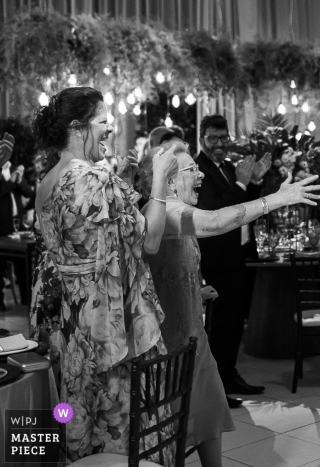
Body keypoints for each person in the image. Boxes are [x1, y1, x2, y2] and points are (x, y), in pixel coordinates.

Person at [139, 141, 320, 467]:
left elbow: (172, 266)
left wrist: (197, 288)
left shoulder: (179, 209)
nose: (201, 176)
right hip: (168, 342)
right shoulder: (165, 211)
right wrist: (276, 199)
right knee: (169, 421)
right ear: (168, 181)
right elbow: (216, 221)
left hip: (194, 332)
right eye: (191, 170)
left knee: (209, 409)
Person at [30, 86, 178, 464]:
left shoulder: (46, 182)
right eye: (103, 121)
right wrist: (159, 176)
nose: (110, 128)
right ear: (79, 128)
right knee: (114, 419)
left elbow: (78, 242)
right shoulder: (93, 178)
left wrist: (123, 182)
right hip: (105, 328)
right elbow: (150, 241)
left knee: (76, 409)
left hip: (68, 321)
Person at [195, 115, 271, 397]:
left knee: (235, 322)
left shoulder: (228, 166)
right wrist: (240, 185)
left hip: (238, 254)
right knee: (220, 326)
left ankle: (229, 375)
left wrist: (253, 181)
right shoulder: (198, 169)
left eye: (223, 138)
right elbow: (213, 211)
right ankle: (215, 388)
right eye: (212, 138)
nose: (219, 144)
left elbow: (244, 204)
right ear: (202, 139)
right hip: (217, 259)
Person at [0, 159, 33, 307]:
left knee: (23, 264)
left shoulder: (13, 168)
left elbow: (28, 192)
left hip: (18, 225)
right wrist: (11, 181)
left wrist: (19, 180)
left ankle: (27, 300)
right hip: (2, 228)